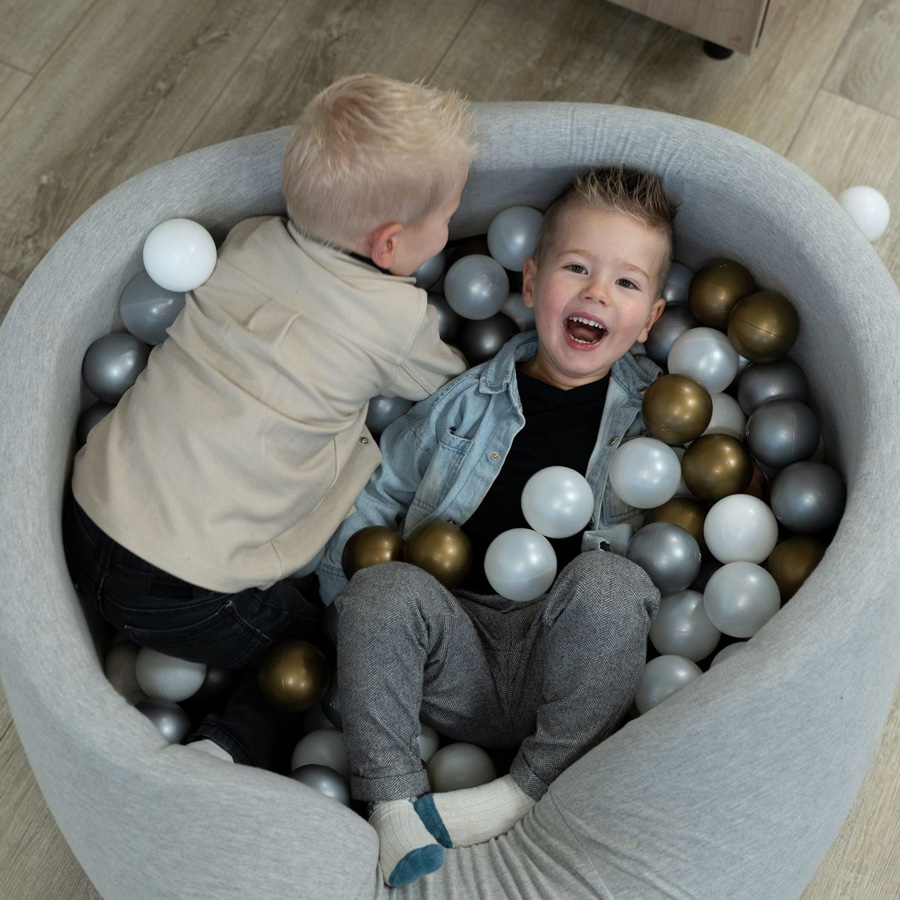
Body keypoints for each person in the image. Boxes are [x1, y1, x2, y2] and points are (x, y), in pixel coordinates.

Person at [62, 73, 476, 770]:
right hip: (187, 595)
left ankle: (128, 659)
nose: (451, 231)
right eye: (448, 219)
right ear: (390, 245)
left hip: (88, 516)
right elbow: (453, 386)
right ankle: (227, 746)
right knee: (318, 645)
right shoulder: (399, 321)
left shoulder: (250, 241)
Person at [315, 166, 675, 887]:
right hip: (452, 649)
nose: (597, 293)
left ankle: (522, 792)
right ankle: (394, 808)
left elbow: (679, 532)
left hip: (563, 659)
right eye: (577, 268)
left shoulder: (659, 422)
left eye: (626, 284)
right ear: (530, 283)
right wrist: (350, 620)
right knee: (378, 589)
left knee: (611, 585)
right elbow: (376, 498)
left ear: (651, 320)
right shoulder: (460, 403)